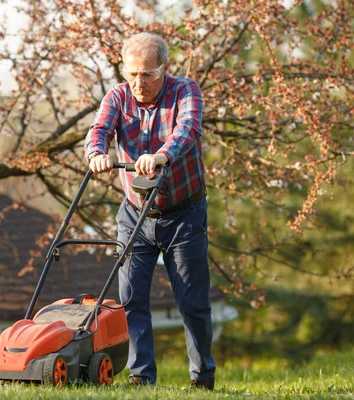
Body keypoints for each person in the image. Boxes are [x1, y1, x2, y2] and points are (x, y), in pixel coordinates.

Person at [84, 32, 216, 390]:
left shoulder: (186, 91)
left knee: (192, 302)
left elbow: (187, 130)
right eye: (132, 74)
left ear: (165, 68)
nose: (138, 83)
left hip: (184, 214)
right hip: (135, 214)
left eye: (147, 74)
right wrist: (96, 154)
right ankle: (142, 377)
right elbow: (99, 129)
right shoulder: (117, 96)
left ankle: (201, 377)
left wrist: (162, 155)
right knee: (131, 298)